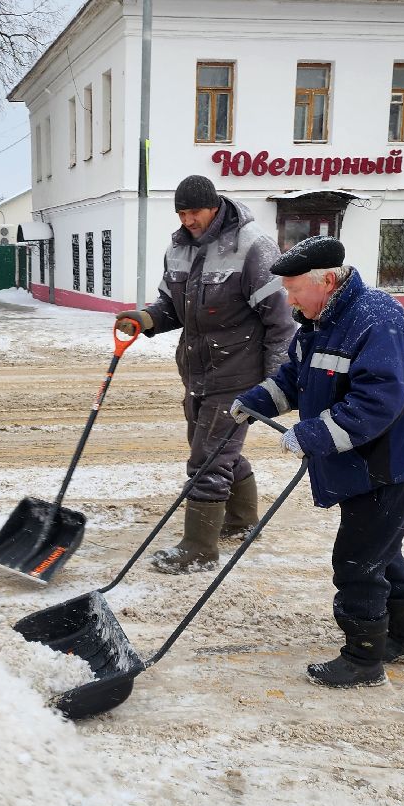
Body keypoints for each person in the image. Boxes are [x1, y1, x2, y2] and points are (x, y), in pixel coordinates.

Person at [230, 235, 404, 689]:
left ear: (326, 280)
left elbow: (379, 400)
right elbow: (298, 377)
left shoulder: (376, 319)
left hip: (387, 463)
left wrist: (314, 435)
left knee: (357, 560)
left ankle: (364, 659)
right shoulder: (322, 319)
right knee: (381, 550)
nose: (289, 299)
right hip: (362, 461)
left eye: (293, 288)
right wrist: (258, 401)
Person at [116, 174, 295, 574]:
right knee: (216, 448)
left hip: (238, 373)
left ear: (213, 205)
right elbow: (172, 305)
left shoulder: (252, 246)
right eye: (181, 212)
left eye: (193, 211)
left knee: (208, 457)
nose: (187, 220)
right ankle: (243, 521)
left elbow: (282, 322)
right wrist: (145, 319)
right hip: (198, 371)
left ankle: (199, 548)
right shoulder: (179, 246)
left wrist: (277, 383)